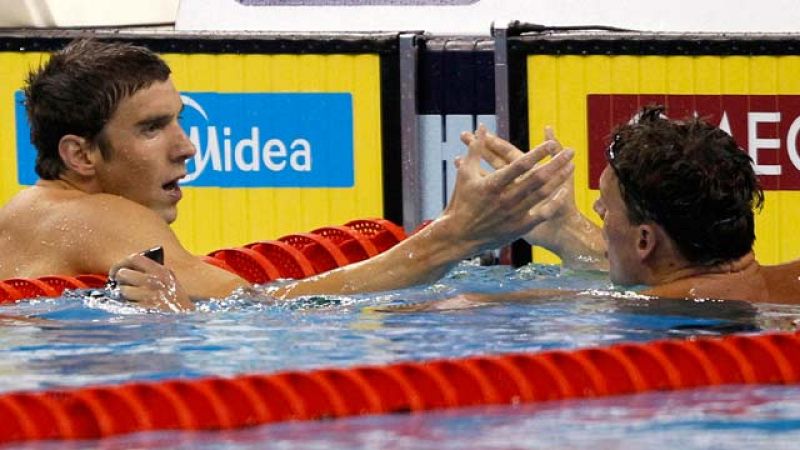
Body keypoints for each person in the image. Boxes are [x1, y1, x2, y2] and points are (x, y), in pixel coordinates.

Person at [0, 38, 576, 311]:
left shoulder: (31, 214)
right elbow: (257, 308)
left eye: (179, 120)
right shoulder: (99, 216)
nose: (188, 147)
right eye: (152, 128)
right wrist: (453, 240)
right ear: (80, 155)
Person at [446, 104, 800, 307]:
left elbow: (452, 307)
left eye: (605, 206)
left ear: (645, 240)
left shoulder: (638, 311)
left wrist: (454, 235)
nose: (598, 211)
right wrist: (568, 229)